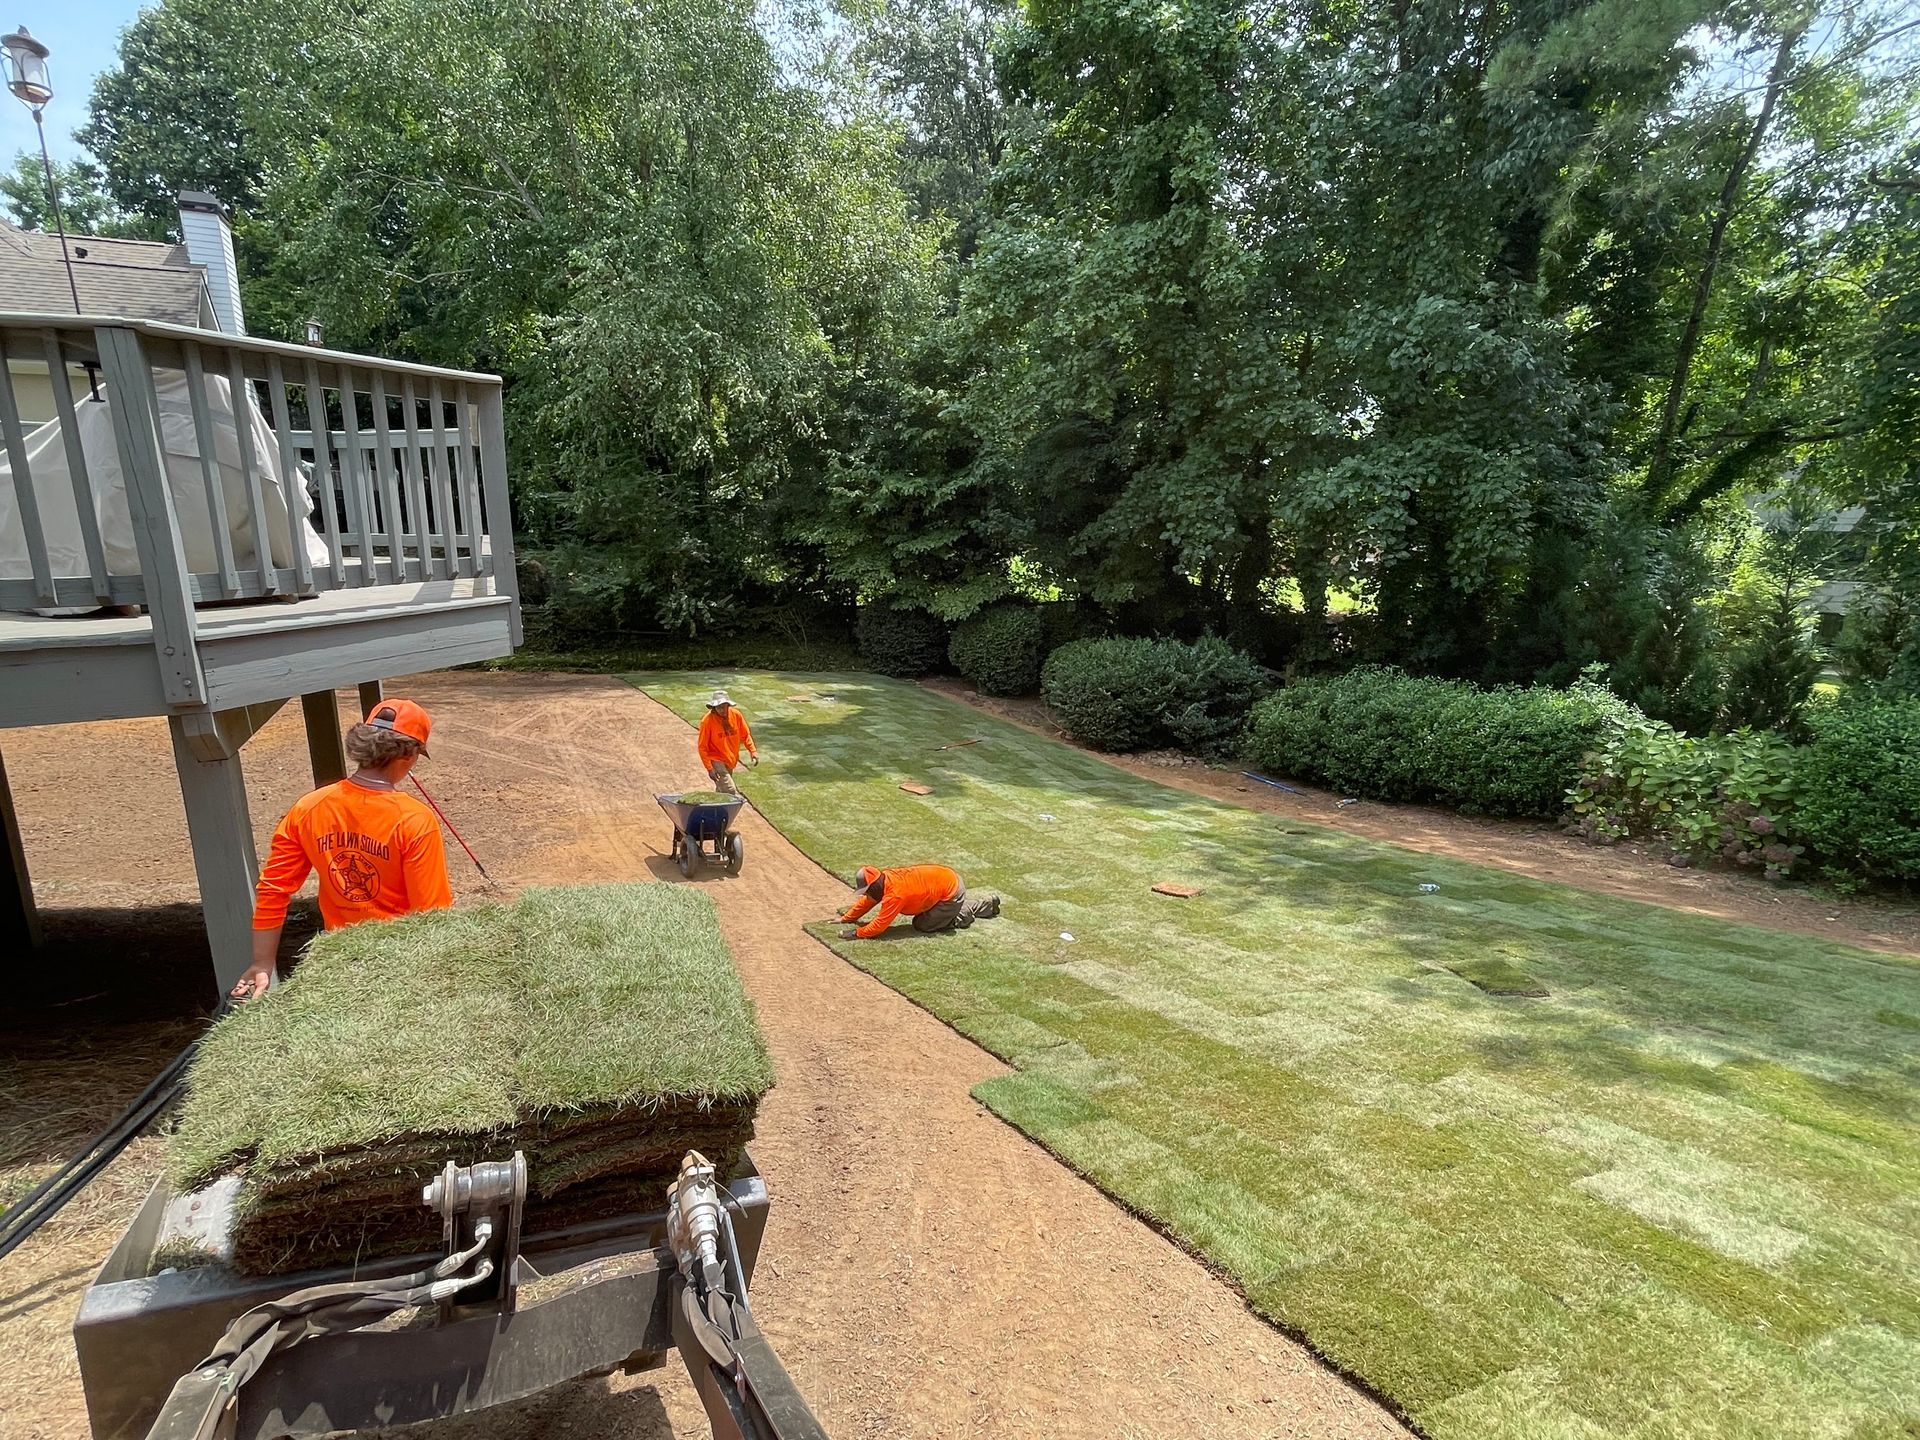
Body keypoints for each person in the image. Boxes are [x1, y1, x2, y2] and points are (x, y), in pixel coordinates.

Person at [229, 698, 454, 1001]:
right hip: (401, 964)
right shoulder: (415, 820)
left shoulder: (309, 807)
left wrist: (262, 963)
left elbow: (273, 889)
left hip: (340, 958)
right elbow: (431, 916)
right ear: (410, 755)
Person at [837, 864, 1002, 939]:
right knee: (930, 915)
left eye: (867, 890)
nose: (867, 895)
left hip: (950, 892)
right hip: (946, 881)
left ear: (874, 886)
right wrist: (847, 918)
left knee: (923, 924)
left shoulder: (895, 894)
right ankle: (987, 904)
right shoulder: (886, 879)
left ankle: (963, 914)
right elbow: (869, 901)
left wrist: (856, 933)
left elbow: (880, 925)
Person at [697, 690, 759, 796]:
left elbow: (745, 734)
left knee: (721, 791)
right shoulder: (707, 721)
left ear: (728, 705)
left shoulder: (736, 715)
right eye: (719, 707)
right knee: (730, 790)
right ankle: (729, 811)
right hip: (716, 759)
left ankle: (715, 810)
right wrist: (709, 768)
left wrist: (752, 751)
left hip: (730, 759)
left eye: (724, 706)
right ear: (714, 707)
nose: (722, 710)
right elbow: (702, 747)